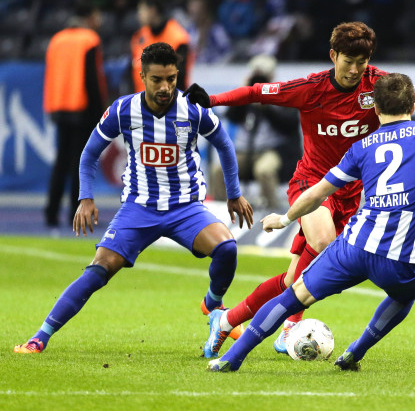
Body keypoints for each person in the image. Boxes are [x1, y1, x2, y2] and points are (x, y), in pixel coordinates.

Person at [204, 72, 415, 372]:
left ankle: (231, 359)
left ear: (375, 109)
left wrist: (284, 219)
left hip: (352, 249)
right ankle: (354, 352)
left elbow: (318, 192)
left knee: (294, 295)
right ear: (412, 107)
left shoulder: (361, 147)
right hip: (398, 259)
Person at [184, 21, 415, 358]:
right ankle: (291, 327)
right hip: (312, 183)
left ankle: (226, 320)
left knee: (293, 280)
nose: (354, 70)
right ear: (333, 55)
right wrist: (213, 99)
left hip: (351, 194)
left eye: (361, 62)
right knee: (323, 243)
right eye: (348, 61)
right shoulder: (311, 88)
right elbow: (256, 92)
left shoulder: (377, 84)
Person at [14, 43, 253, 354]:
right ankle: (39, 338)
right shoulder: (123, 110)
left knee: (226, 248)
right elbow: (88, 155)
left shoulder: (192, 109)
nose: (165, 87)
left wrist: (234, 194)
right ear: (142, 76)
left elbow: (224, 143)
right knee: (99, 270)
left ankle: (213, 307)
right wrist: (85, 197)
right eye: (157, 79)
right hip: (138, 208)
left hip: (186, 208)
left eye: (171, 78)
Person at [43, 2, 108, 229]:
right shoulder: (90, 40)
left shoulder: (56, 40)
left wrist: (52, 106)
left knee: (61, 161)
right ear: (89, 16)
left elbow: (51, 75)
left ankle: (51, 212)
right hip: (82, 107)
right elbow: (93, 78)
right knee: (81, 161)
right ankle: (75, 211)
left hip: (60, 106)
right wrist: (101, 110)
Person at [211, 55, 300, 209]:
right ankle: (222, 211)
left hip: (273, 150)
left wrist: (266, 104)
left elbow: (290, 125)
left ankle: (273, 211)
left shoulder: (284, 93)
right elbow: (232, 117)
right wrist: (242, 94)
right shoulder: (246, 94)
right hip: (245, 151)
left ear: (272, 76)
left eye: (263, 76)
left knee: (264, 170)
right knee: (219, 170)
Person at [131, 0, 192, 92]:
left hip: (170, 103)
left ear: (152, 10)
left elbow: (179, 76)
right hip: (141, 103)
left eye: (142, 10)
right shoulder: (139, 37)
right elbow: (132, 71)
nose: (139, 15)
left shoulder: (178, 37)